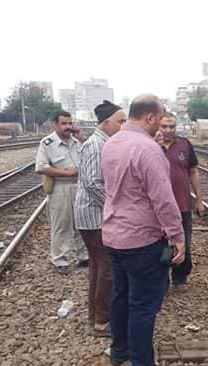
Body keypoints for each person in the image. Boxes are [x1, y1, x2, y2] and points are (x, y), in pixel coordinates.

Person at [101, 94, 185, 366]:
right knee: (143, 306)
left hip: (114, 235)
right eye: (159, 120)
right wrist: (177, 236)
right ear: (150, 117)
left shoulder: (111, 143)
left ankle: (120, 350)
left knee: (121, 295)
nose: (161, 126)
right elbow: (163, 199)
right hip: (141, 239)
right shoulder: (148, 149)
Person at [76, 100, 127, 337]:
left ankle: (96, 315)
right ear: (106, 123)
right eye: (120, 121)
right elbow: (92, 182)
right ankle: (102, 321)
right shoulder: (97, 145)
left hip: (94, 215)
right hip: (95, 216)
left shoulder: (102, 142)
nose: (123, 125)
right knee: (106, 268)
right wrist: (113, 206)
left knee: (98, 266)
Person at [35, 111, 89, 274]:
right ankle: (60, 260)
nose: (68, 127)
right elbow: (41, 167)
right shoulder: (47, 143)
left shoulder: (77, 141)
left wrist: (82, 138)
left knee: (82, 223)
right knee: (61, 225)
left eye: (70, 123)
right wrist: (66, 173)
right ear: (55, 125)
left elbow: (91, 156)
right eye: (64, 123)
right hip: (60, 187)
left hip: (79, 186)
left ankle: (84, 256)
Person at [157, 113, 204, 290]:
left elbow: (193, 172)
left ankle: (180, 276)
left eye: (172, 126)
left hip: (182, 204)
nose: (168, 130)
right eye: (164, 126)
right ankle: (162, 279)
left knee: (184, 241)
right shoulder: (150, 145)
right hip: (158, 206)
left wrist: (199, 199)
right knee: (159, 243)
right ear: (158, 126)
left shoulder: (184, 145)